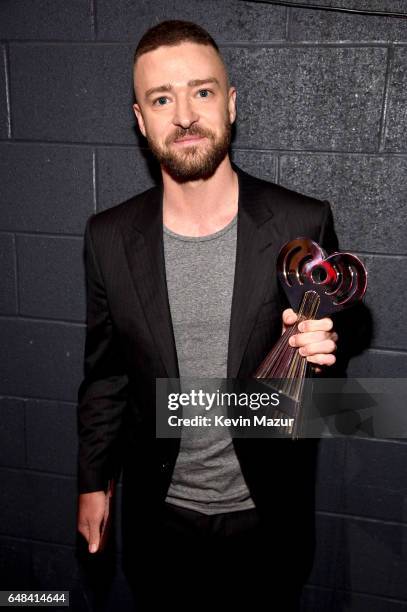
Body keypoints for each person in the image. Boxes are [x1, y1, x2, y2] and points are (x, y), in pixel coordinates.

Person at [76, 20, 340, 611]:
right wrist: (94, 482)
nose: (185, 115)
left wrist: (319, 365)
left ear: (231, 104)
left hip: (265, 522)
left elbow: (320, 403)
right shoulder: (109, 238)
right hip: (159, 523)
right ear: (141, 121)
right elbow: (106, 377)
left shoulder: (303, 223)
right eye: (162, 98)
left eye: (202, 91)